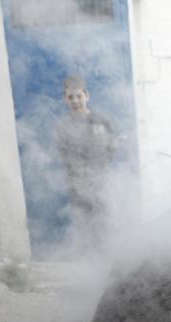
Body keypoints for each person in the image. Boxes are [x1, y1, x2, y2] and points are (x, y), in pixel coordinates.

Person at [55, 75, 116, 250]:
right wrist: (79, 175)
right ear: (64, 98)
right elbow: (64, 153)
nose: (75, 101)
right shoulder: (63, 126)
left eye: (78, 96)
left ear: (87, 95)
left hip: (101, 183)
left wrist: (98, 173)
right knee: (84, 227)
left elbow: (111, 148)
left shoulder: (101, 120)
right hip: (77, 186)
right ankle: (90, 265)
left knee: (105, 225)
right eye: (70, 97)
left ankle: (109, 262)